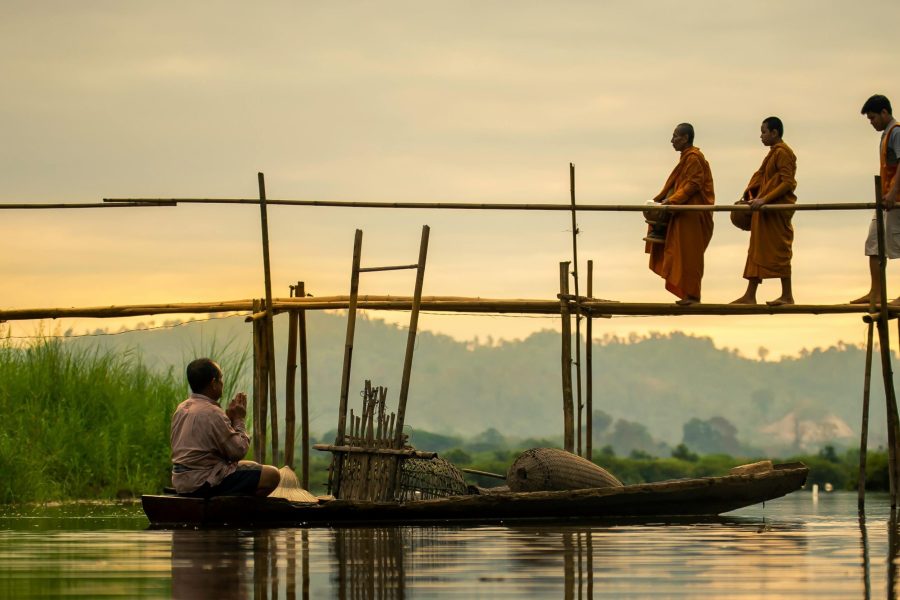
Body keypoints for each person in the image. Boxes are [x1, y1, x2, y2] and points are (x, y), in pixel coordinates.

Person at [171, 358, 280, 497]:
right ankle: (237, 511)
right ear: (213, 383)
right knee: (272, 474)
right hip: (203, 482)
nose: (222, 383)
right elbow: (238, 451)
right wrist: (239, 419)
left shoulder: (181, 408)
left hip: (182, 482)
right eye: (221, 379)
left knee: (251, 465)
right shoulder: (212, 412)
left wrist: (228, 420)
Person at [646, 123, 715, 305]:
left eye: (675, 136)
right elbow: (679, 185)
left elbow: (693, 184)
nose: (672, 140)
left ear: (685, 138)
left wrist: (672, 201)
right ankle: (688, 294)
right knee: (681, 253)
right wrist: (664, 199)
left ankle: (693, 295)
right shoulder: (686, 158)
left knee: (690, 254)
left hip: (693, 214)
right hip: (684, 213)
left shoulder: (694, 158)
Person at [731, 117, 797, 305]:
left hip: (776, 209)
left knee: (780, 250)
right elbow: (762, 179)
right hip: (764, 210)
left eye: (763, 132)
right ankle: (750, 295)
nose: (761, 136)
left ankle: (787, 295)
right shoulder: (773, 153)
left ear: (774, 133)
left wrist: (765, 199)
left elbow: (787, 182)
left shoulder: (784, 153)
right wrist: (751, 197)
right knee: (756, 250)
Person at [851, 94, 900, 305]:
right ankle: (876, 292)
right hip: (885, 199)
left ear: (884, 113)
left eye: (873, 118)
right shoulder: (886, 134)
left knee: (896, 245)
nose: (872, 123)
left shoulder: (896, 132)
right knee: (874, 244)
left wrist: (892, 193)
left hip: (896, 199)